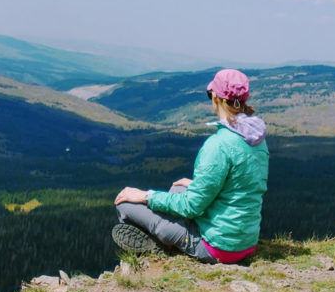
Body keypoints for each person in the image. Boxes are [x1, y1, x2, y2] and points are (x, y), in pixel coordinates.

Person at [113, 69, 269, 264]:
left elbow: (191, 207)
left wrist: (146, 196)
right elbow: (239, 186)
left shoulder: (218, 145)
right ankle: (163, 239)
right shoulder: (256, 139)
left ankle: (158, 248)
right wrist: (194, 185)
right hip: (245, 242)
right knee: (179, 187)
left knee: (125, 204)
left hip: (216, 248)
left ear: (215, 98)